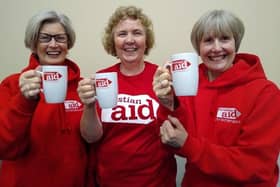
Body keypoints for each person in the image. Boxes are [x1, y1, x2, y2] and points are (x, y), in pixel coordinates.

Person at [153, 9, 280, 187]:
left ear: (236, 43)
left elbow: (255, 166)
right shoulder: (190, 85)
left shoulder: (265, 93)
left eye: (225, 38)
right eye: (208, 40)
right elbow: (171, 144)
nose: (216, 48)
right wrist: (168, 104)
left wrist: (189, 145)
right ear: (199, 48)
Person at [77, 6, 177, 187]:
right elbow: (91, 137)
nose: (129, 40)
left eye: (137, 33)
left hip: (157, 181)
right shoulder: (102, 78)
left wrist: (171, 100)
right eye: (122, 34)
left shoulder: (161, 77)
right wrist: (89, 105)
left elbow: (179, 131)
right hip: (110, 181)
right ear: (113, 41)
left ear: (146, 41)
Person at [0, 10, 89, 187]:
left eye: (60, 38)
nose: (54, 44)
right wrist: (24, 100)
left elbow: (93, 146)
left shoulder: (82, 87)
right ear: (33, 43)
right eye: (45, 38)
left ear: (68, 43)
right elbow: (3, 147)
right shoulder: (12, 85)